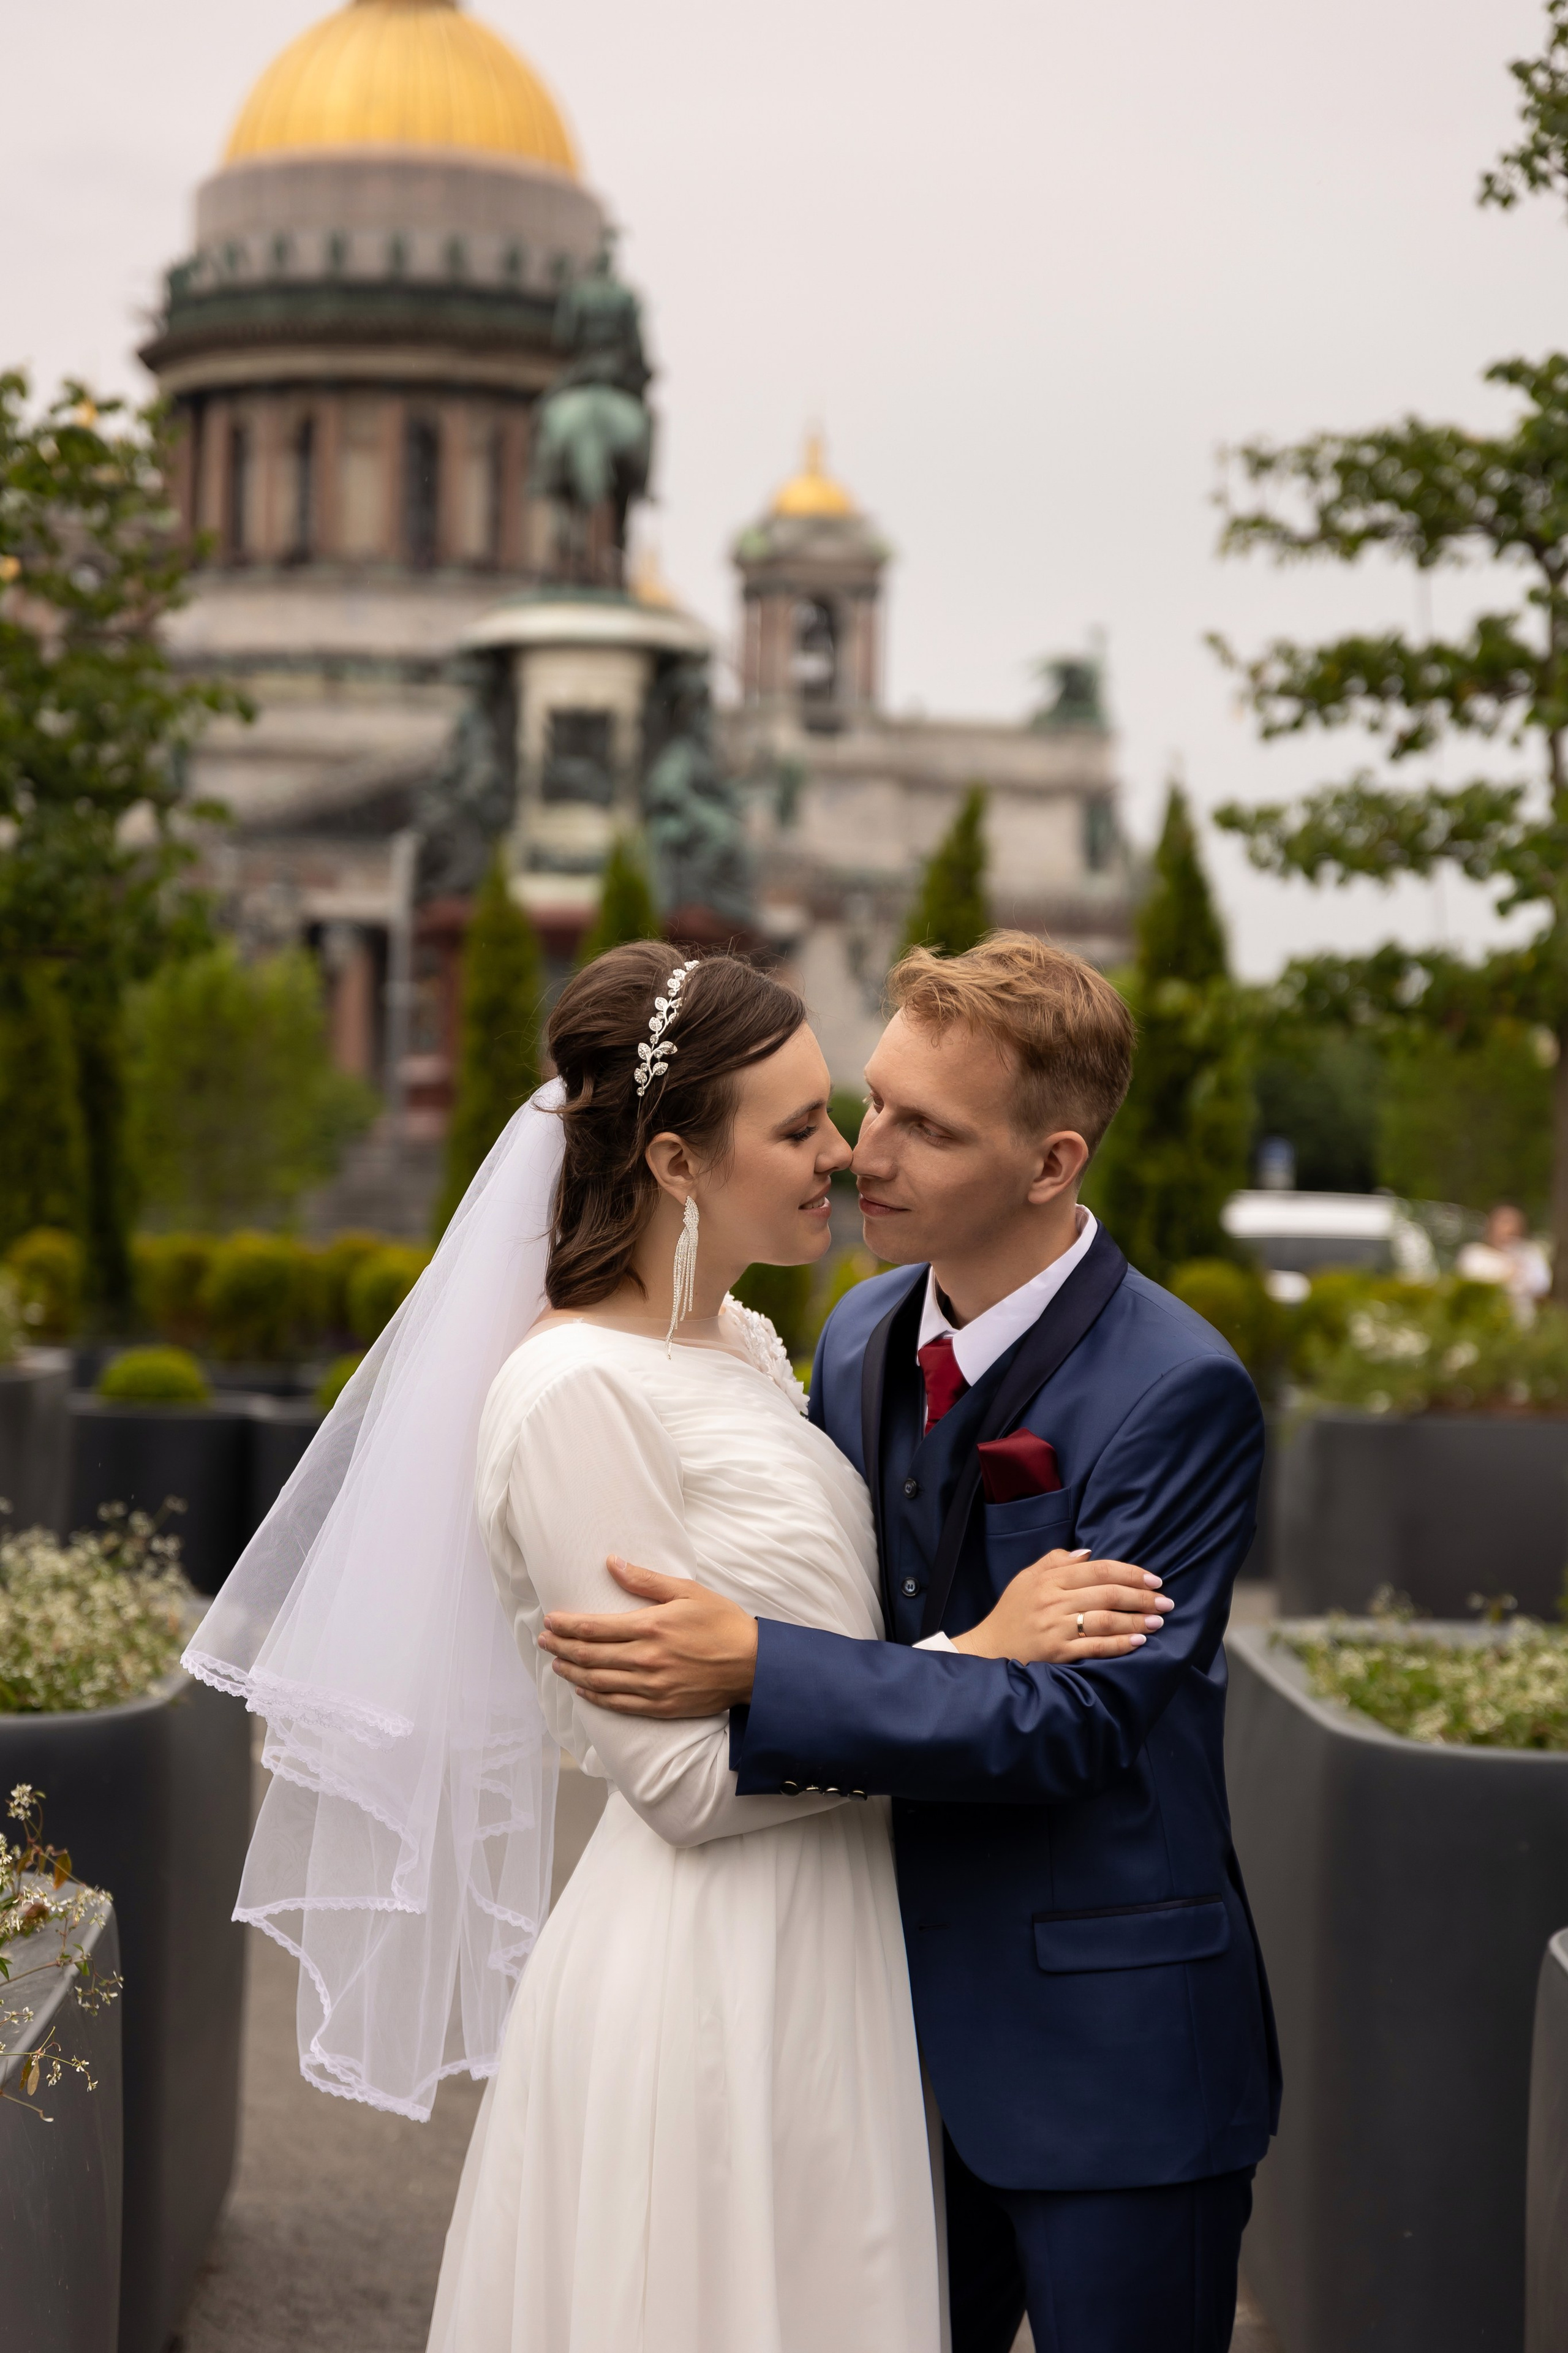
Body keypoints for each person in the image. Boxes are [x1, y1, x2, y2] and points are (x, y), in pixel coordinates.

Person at [184, 940, 1165, 2353]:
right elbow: (683, 1789)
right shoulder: (569, 1394)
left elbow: (801, 1636)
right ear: (674, 1160)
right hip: (709, 1970)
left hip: (838, 1953)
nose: (842, 1152)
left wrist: (803, 1660)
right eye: (799, 1126)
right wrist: (975, 1653)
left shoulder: (758, 1349)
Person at [541, 932, 1283, 2353]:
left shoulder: (1177, 1392)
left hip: (1107, 2064)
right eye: (870, 1100)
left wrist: (759, 1662)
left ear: (1050, 1161)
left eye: (925, 1127)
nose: (858, 1153)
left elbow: (1073, 1724)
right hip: (864, 2035)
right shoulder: (861, 1325)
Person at [1456, 1201, 1551, 1321]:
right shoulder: (1474, 1255)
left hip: (1522, 1324)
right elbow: (1470, 1287)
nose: (1508, 1230)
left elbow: (1542, 1287)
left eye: (1514, 1225)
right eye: (1503, 1223)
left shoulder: (1530, 1254)